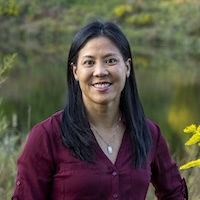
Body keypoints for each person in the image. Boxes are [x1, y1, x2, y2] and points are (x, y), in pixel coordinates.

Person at [12, 21, 188, 200]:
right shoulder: (46, 136)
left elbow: (174, 194)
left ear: (127, 68)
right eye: (89, 62)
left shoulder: (149, 133)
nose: (100, 71)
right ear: (75, 71)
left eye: (110, 61)